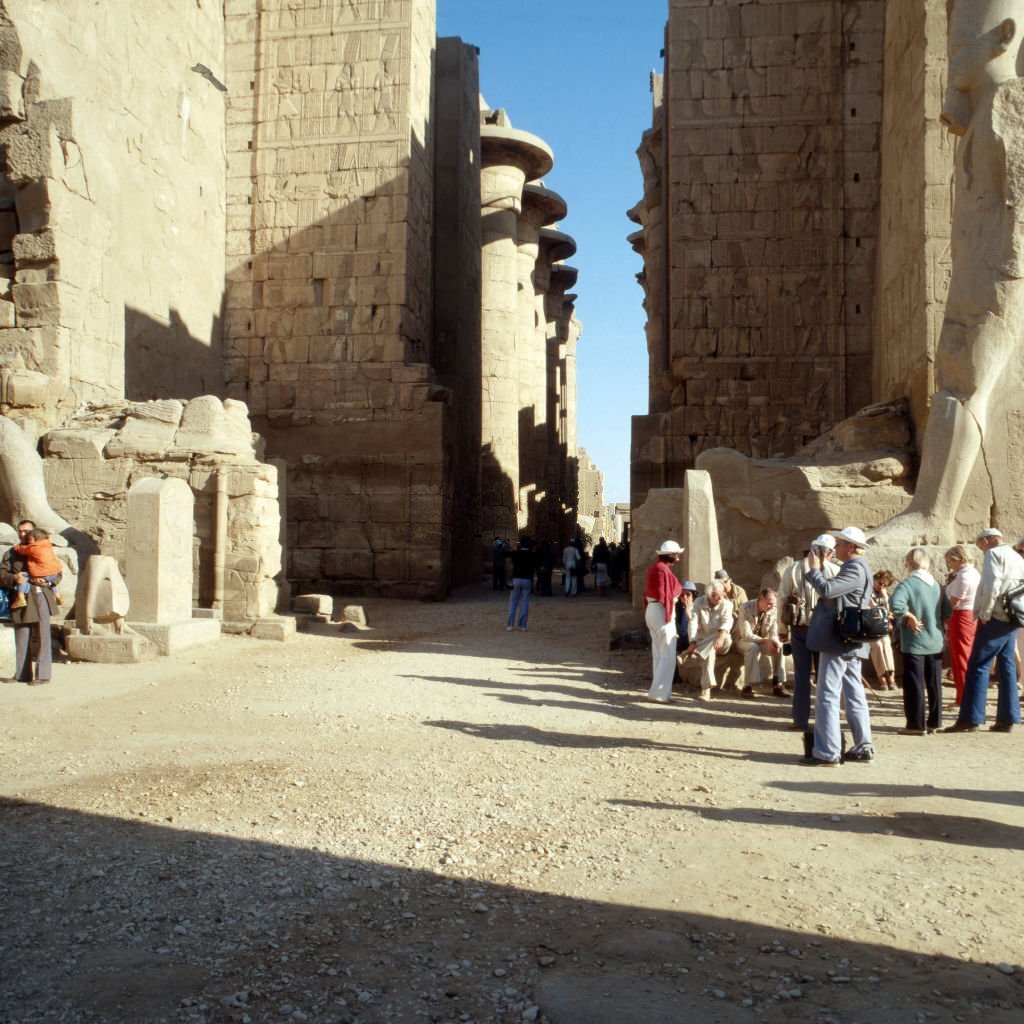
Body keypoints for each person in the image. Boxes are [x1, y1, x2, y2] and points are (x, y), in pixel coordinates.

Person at [804, 526, 876, 765]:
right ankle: (863, 745)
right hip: (850, 641)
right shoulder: (856, 568)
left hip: (839, 642)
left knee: (828, 695)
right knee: (854, 693)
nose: (837, 547)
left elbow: (827, 590)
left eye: (842, 543)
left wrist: (814, 570)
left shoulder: (855, 567)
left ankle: (828, 751)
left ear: (852, 547)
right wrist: (823, 567)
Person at [944, 527, 1024, 732]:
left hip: (996, 616)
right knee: (1007, 667)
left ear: (988, 540)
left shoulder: (994, 554)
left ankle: (971, 717)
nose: (980, 549)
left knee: (978, 665)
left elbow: (991, 585)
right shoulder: (1017, 557)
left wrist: (985, 614)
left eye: (980, 544)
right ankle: (1008, 718)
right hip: (1013, 616)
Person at [778, 534, 838, 732]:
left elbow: (782, 599)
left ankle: (800, 719)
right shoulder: (834, 570)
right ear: (828, 552)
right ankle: (825, 720)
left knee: (802, 675)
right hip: (823, 629)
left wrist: (781, 629)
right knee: (824, 676)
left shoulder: (793, 569)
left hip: (799, 627)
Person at [890, 548, 946, 735]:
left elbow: (896, 604)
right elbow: (948, 611)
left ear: (908, 563)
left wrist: (908, 616)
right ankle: (935, 722)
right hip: (935, 639)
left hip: (915, 640)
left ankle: (916, 724)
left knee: (914, 684)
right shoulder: (936, 585)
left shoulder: (907, 584)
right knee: (934, 684)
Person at [0, 519, 61, 686]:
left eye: (26, 531)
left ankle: (42, 675)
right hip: (20, 598)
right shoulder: (12, 553)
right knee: (21, 636)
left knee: (42, 636)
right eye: (20, 531)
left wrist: (48, 582)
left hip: (40, 595)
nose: (23, 534)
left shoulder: (44, 548)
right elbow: (2, 574)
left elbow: (56, 571)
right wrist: (13, 577)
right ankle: (21, 674)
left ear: (34, 533)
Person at [644, 540, 684, 703]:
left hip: (654, 611)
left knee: (659, 654)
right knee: (667, 654)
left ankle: (659, 691)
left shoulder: (657, 569)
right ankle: (659, 694)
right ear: (671, 555)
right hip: (661, 612)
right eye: (677, 555)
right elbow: (665, 594)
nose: (679, 559)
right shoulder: (662, 570)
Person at [944, 542, 981, 706]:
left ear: (956, 559)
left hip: (961, 616)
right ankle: (964, 696)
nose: (949, 565)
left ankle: (963, 698)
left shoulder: (964, 576)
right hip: (970, 615)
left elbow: (954, 602)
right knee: (965, 656)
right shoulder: (973, 573)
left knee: (961, 658)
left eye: (950, 561)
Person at [685, 580, 734, 701]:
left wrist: (721, 637)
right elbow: (693, 623)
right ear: (710, 596)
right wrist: (692, 641)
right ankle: (706, 690)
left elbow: (727, 622)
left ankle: (690, 652)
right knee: (710, 651)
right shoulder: (699, 602)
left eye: (723, 595)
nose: (721, 598)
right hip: (707, 641)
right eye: (718, 597)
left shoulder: (727, 604)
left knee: (716, 639)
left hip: (723, 639)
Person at [735, 588, 787, 699]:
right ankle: (748, 686)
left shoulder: (773, 609)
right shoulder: (745, 608)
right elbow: (746, 635)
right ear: (760, 599)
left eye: (773, 604)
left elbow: (773, 632)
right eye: (769, 603)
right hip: (743, 641)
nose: (771, 606)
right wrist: (765, 641)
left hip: (763, 641)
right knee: (753, 647)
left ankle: (778, 683)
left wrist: (774, 642)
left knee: (779, 646)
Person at [10, 527, 62, 610]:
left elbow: (23, 550)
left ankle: (20, 597)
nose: (28, 541)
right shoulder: (48, 545)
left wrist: (16, 547)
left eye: (30, 539)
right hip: (53, 574)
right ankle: (57, 595)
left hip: (43, 574)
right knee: (49, 579)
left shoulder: (34, 547)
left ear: (36, 539)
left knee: (23, 576)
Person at [867, 570, 897, 691]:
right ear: (875, 579)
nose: (882, 586)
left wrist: (885, 598)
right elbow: (873, 608)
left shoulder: (885, 594)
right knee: (877, 646)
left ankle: (891, 677)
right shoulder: (868, 592)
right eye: (880, 583)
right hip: (870, 627)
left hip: (882, 627)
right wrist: (884, 612)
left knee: (887, 644)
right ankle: (882, 678)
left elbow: (888, 611)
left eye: (885, 585)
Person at [505, 537, 536, 632]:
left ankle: (510, 625)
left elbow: (507, 557)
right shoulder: (532, 555)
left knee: (513, 602)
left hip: (516, 579)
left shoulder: (516, 554)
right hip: (527, 580)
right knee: (525, 602)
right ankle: (522, 625)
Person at [674, 579, 699, 663]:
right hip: (680, 642)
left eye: (688, 594)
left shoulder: (698, 608)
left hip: (693, 641)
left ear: (693, 596)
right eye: (682, 595)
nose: (685, 597)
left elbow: (698, 627)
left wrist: (688, 613)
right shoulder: (677, 609)